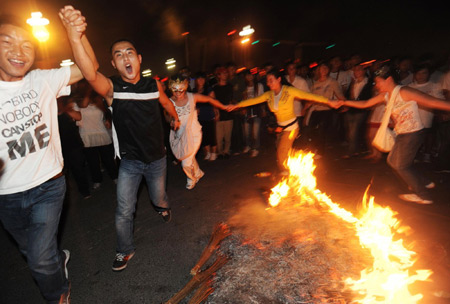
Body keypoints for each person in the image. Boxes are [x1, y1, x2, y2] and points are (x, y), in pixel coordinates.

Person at [59, 5, 181, 272]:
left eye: (130, 53)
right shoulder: (113, 89)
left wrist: (175, 117)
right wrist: (76, 35)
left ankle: (163, 207)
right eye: (118, 55)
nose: (125, 58)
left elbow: (165, 102)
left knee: (158, 198)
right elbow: (89, 73)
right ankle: (124, 250)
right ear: (114, 64)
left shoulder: (153, 85)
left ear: (139, 58)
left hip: (158, 158)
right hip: (130, 162)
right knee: (124, 210)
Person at [0, 10, 95, 303]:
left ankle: (59, 294)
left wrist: (74, 34)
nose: (19, 51)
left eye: (27, 44)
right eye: (7, 42)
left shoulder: (42, 80)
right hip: (6, 195)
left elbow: (89, 68)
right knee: (33, 254)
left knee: (40, 259)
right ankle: (57, 260)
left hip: (48, 185)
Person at [342, 64, 450, 204]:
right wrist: (344, 102)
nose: (376, 85)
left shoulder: (404, 92)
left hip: (413, 133)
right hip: (404, 133)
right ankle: (424, 182)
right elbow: (365, 103)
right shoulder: (386, 95)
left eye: (378, 81)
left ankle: (423, 195)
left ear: (388, 79)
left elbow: (433, 102)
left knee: (398, 164)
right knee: (401, 162)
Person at [233, 68, 335, 175]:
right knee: (282, 150)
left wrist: (329, 101)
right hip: (280, 128)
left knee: (281, 153)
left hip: (291, 128)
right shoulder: (269, 95)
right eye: (267, 81)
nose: (268, 83)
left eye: (271, 80)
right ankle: (295, 165)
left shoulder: (289, 91)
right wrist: (236, 105)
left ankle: (286, 174)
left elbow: (309, 96)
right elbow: (253, 100)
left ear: (279, 79)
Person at [168, 75, 232, 189]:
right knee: (188, 156)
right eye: (175, 90)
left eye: (180, 90)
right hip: (180, 135)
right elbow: (166, 116)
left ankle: (191, 178)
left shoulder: (192, 97)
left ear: (185, 87)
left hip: (194, 133)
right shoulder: (170, 102)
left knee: (185, 162)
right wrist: (172, 122)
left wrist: (223, 106)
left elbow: (209, 99)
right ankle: (198, 173)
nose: (178, 93)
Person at [76, 80, 118, 189]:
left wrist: (107, 119)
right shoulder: (78, 102)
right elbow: (84, 105)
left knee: (108, 158)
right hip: (87, 134)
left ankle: (115, 176)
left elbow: (106, 112)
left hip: (101, 132)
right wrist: (88, 92)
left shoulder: (98, 99)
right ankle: (97, 179)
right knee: (92, 161)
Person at [57, 95, 91, 199]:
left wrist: (64, 109)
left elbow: (79, 116)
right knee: (62, 172)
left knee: (78, 169)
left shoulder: (69, 108)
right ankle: (63, 195)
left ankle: (85, 191)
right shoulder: (50, 113)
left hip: (74, 145)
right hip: (59, 147)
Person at [342, 64, 373, 158]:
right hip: (351, 109)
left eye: (359, 70)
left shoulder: (368, 82)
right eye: (355, 70)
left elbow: (369, 95)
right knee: (350, 130)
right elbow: (348, 96)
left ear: (364, 71)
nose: (357, 72)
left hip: (362, 109)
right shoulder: (353, 83)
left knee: (354, 130)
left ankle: (351, 151)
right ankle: (356, 149)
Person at [210, 67, 234, 158]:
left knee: (228, 135)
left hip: (228, 112)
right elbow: (213, 101)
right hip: (219, 113)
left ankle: (226, 151)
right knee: (219, 136)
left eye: (226, 73)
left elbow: (231, 99)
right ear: (218, 75)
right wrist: (216, 112)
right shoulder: (215, 88)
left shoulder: (230, 86)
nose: (225, 75)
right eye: (223, 73)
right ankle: (220, 152)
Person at [193, 71, 217, 161]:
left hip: (208, 113)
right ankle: (208, 152)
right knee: (202, 134)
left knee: (211, 133)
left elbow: (213, 100)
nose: (201, 80)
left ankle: (214, 152)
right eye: (199, 78)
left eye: (202, 78)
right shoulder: (194, 90)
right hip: (198, 115)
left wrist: (216, 112)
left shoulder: (208, 89)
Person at [242, 69, 265, 157]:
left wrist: (263, 109)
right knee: (246, 131)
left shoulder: (259, 86)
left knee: (255, 131)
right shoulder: (245, 87)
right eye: (247, 75)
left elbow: (262, 98)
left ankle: (255, 148)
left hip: (256, 110)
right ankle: (248, 146)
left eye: (250, 75)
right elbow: (243, 99)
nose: (249, 77)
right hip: (247, 111)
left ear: (254, 76)